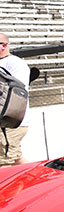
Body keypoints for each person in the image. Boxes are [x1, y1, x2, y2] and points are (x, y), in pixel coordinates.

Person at [0, 32, 29, 167]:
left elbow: (17, 92)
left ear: (4, 45)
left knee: (4, 163)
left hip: (10, 123)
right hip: (5, 124)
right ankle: (39, 179)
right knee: (17, 159)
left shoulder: (15, 64)